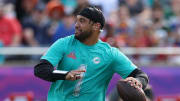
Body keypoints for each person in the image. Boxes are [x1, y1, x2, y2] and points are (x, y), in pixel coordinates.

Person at [34, 6, 149, 101]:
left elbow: (141, 75)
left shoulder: (110, 54)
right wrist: (65, 74)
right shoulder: (64, 43)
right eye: (77, 20)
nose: (76, 24)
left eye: (82, 21)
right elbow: (40, 69)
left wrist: (137, 81)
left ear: (96, 26)